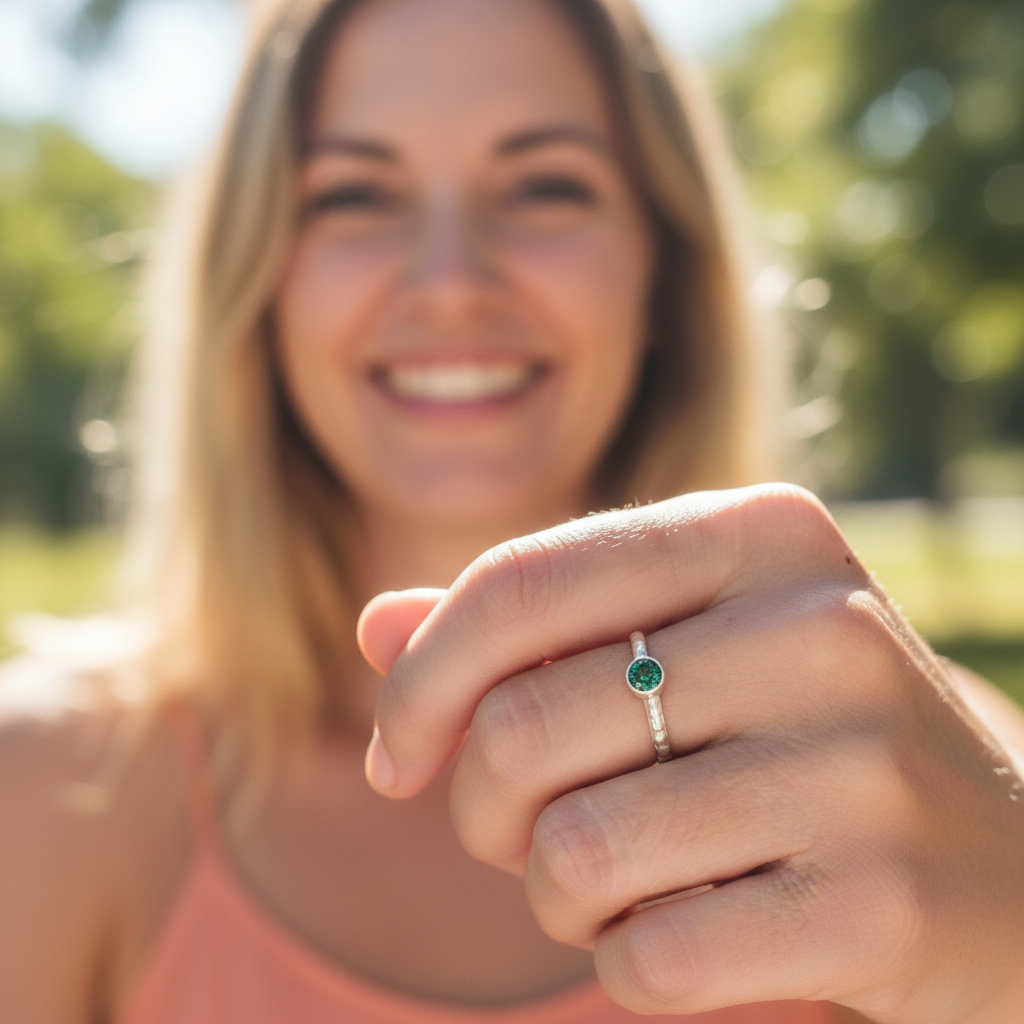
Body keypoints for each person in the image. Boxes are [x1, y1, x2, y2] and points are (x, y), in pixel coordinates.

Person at [1, 0, 1022, 1021]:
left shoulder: (924, 771)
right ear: (258, 284)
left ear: (660, 272)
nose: (450, 284)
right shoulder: (51, 787)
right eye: (353, 195)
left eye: (544, 185)